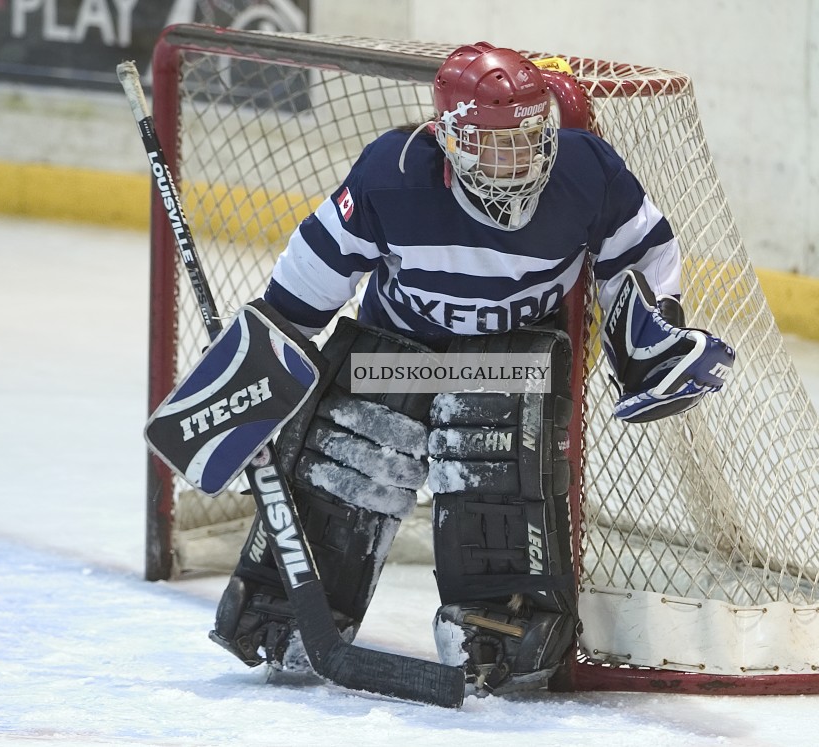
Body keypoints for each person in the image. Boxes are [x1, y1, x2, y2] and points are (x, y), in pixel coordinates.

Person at [208, 42, 735, 696]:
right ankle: (285, 605)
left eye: (529, 138)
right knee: (351, 447)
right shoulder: (391, 177)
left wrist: (652, 333)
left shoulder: (585, 172)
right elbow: (305, 286)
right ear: (448, 138)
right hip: (396, 359)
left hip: (508, 362)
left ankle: (495, 624)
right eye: (493, 144)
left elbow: (640, 255)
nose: (516, 159)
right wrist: (254, 381)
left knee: (495, 434)